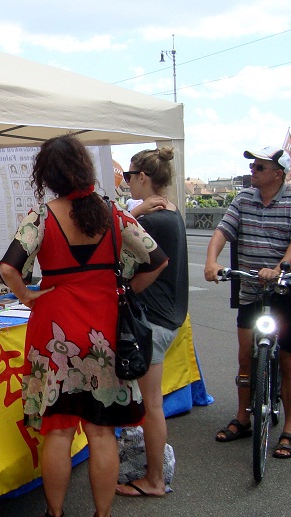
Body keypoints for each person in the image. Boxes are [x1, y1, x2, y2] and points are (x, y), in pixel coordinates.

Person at [0, 135, 167, 517]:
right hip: (103, 331)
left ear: (48, 176)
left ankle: (55, 513)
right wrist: (126, 290)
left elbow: (8, 267)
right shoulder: (114, 214)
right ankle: (102, 514)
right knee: (101, 431)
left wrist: (27, 296)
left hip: (54, 330)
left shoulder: (42, 216)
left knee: (57, 431)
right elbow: (157, 260)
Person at [204, 145, 291, 459]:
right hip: (251, 285)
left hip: (288, 287)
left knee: (288, 361)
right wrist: (211, 262)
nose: (253, 171)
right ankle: (243, 418)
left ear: (278, 173)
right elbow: (223, 231)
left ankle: (289, 430)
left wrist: (279, 269)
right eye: (252, 166)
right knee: (245, 357)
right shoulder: (243, 198)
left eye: (259, 167)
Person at [115, 147, 189, 498]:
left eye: (130, 177)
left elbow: (115, 243)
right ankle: (152, 473)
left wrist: (133, 214)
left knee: (152, 405)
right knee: (152, 401)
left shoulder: (151, 221)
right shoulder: (171, 213)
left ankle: (155, 479)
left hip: (152, 321)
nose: (128, 182)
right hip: (168, 316)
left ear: (143, 177)